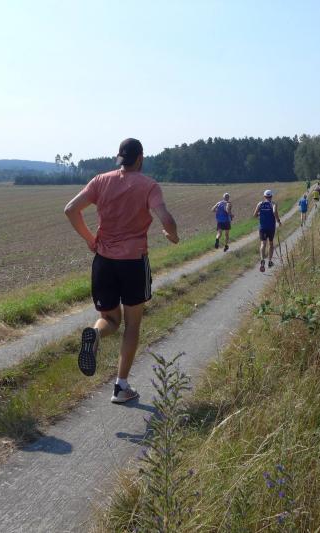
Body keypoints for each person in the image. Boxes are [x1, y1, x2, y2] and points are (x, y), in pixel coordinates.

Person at [64, 138, 179, 404]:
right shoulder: (149, 185)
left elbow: (70, 210)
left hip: (103, 261)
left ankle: (95, 334)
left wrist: (90, 240)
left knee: (110, 319)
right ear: (140, 158)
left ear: (120, 158)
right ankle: (120, 387)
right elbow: (166, 218)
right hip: (133, 262)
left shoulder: (100, 180)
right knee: (132, 324)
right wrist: (172, 236)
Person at [253, 189, 282, 273]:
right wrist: (278, 221)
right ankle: (269, 261)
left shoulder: (260, 204)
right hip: (271, 227)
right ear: (271, 196)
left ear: (264, 196)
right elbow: (274, 211)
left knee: (263, 243)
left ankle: (262, 259)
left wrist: (260, 214)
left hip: (262, 227)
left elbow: (254, 215)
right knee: (271, 243)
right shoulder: (273, 204)